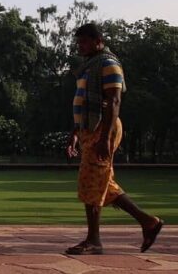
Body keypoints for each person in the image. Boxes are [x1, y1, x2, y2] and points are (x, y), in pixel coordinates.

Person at [64, 23, 163, 255]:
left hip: (102, 129)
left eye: (84, 42)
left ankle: (94, 241)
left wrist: (105, 138)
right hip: (89, 129)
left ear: (98, 40)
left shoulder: (108, 64)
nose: (80, 46)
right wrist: (75, 133)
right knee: (102, 183)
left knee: (91, 181)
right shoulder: (89, 67)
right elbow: (84, 103)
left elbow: (114, 101)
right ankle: (148, 222)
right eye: (78, 42)